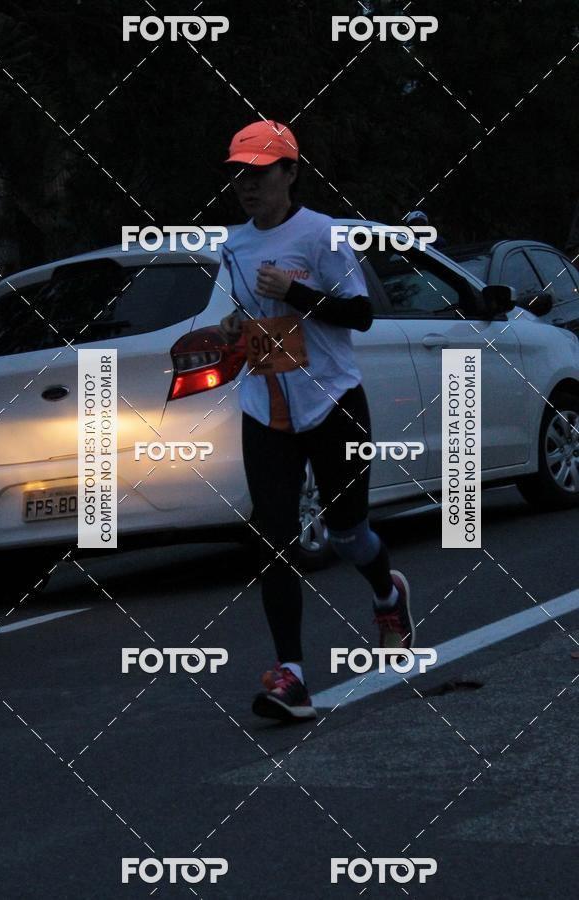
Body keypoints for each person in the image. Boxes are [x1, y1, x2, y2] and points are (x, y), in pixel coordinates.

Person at [219, 120, 415, 721]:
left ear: (290, 172)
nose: (247, 185)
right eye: (239, 174)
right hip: (266, 408)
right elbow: (243, 313)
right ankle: (292, 677)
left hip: (333, 403)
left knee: (346, 534)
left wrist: (295, 292)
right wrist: (233, 326)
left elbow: (361, 314)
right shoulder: (233, 245)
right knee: (274, 538)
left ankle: (387, 593)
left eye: (259, 172)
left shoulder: (322, 234)